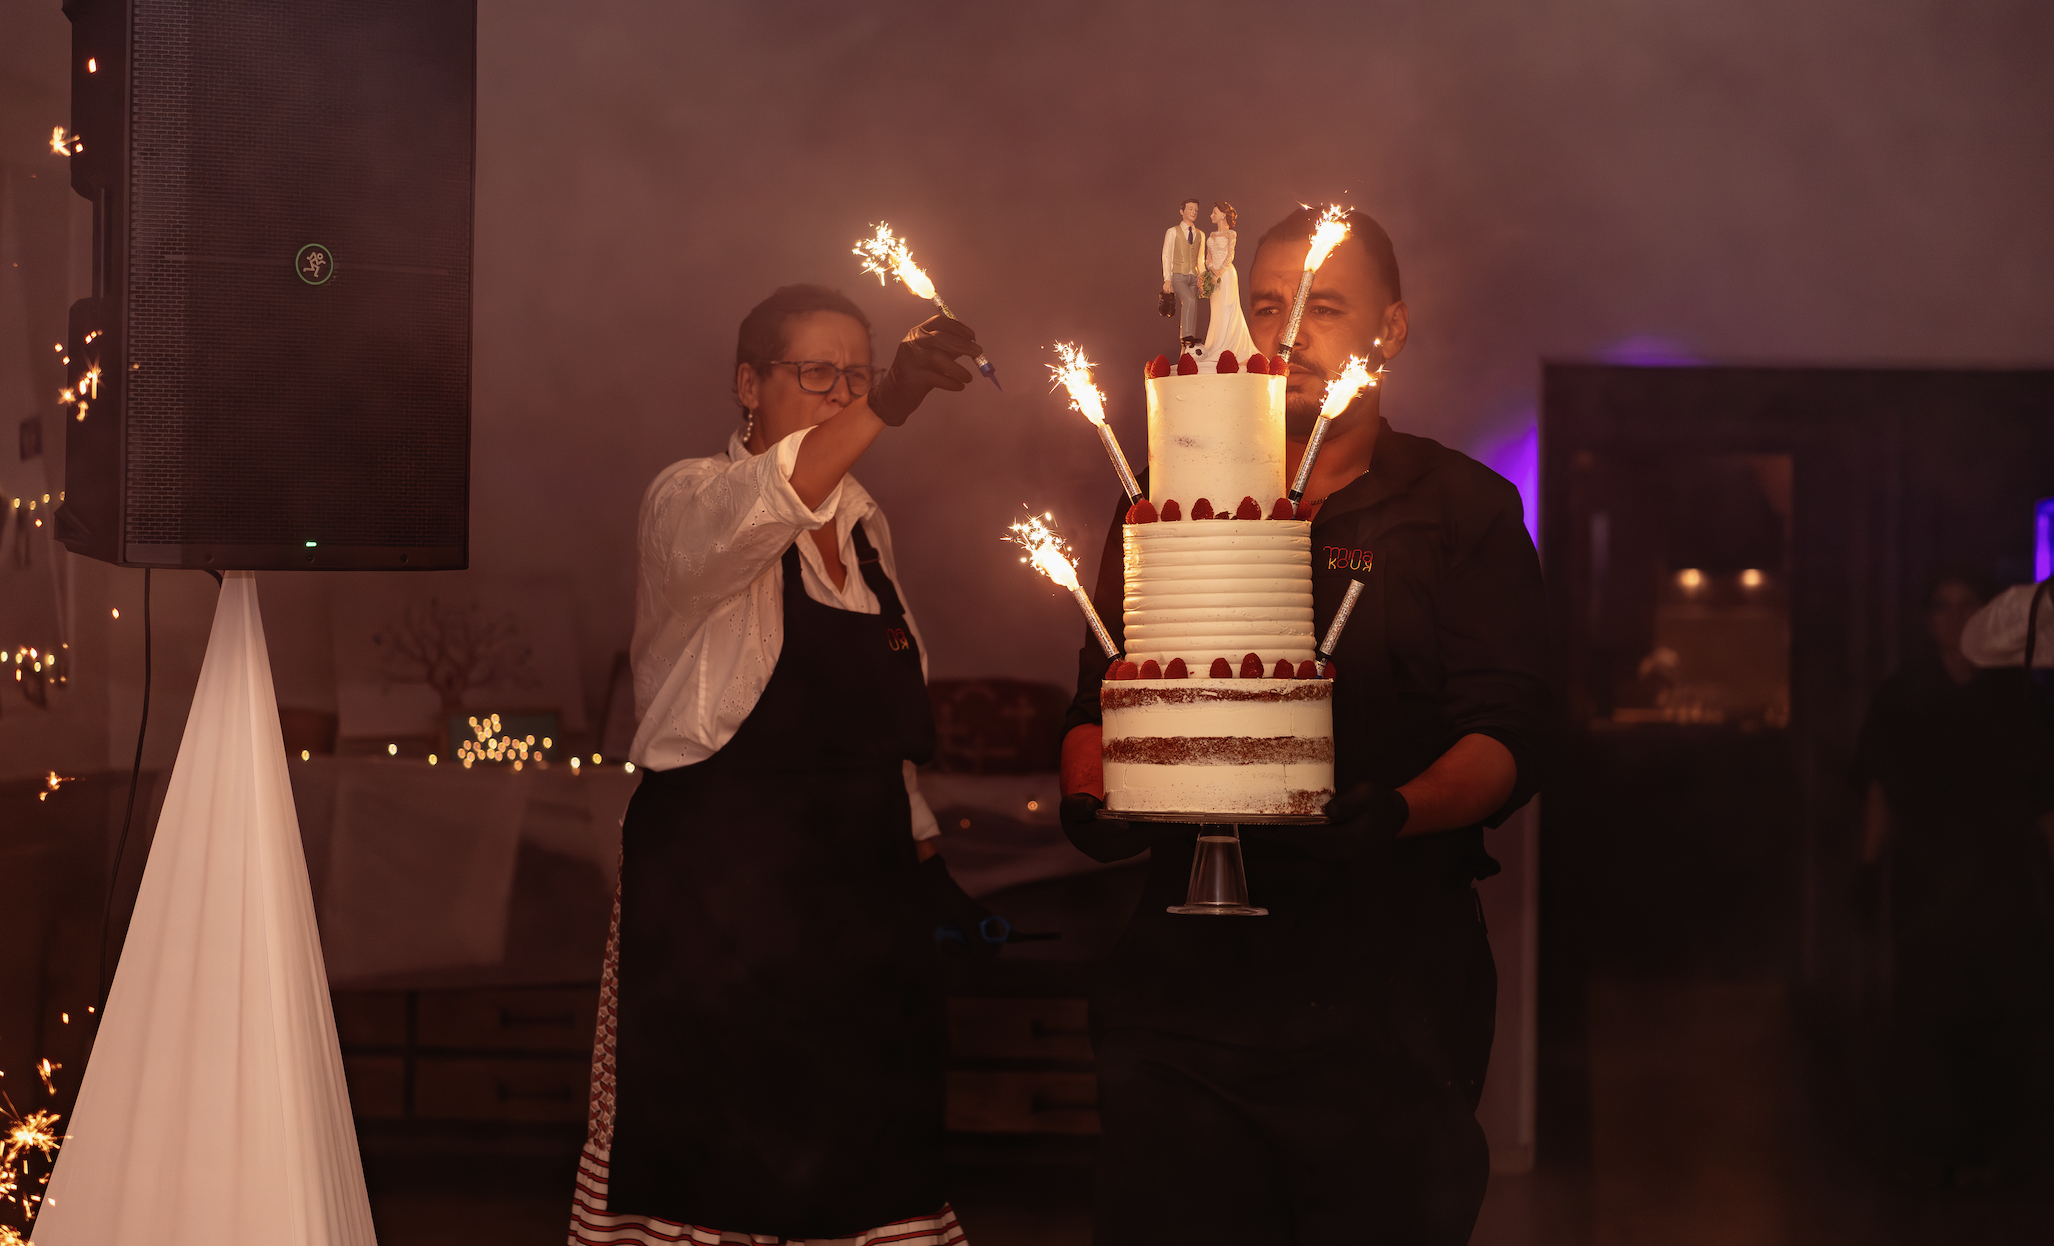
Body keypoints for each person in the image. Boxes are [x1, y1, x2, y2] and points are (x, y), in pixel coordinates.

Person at [1060, 208, 1552, 1244]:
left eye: (1322, 307)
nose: (1285, 337)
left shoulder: (1461, 508)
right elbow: (1095, 701)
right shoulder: (1167, 502)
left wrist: (1390, 813)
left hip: (1386, 986)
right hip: (1185, 992)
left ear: (1391, 330)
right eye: (1268, 307)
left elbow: (1506, 738)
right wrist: (1091, 793)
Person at [569, 284, 988, 1245]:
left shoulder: (872, 531)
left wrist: (927, 863)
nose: (842, 394)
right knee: (706, 1170)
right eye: (817, 374)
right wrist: (885, 404)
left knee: (870, 1163)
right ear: (747, 384)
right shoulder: (687, 501)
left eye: (857, 373)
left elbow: (886, 737)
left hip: (861, 901)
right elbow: (765, 504)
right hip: (718, 903)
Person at [1854, 570, 2054, 1189]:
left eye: (1965, 605)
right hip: (1927, 875)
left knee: (2004, 1013)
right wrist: (1868, 866)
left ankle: (1997, 1149)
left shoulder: (2020, 698)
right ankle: (1931, 1148)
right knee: (1927, 1013)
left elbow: (2044, 796)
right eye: (1941, 606)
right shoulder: (1900, 696)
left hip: (2002, 877)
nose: (1952, 616)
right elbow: (1880, 787)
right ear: (1927, 619)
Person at [1196, 200, 1256, 363]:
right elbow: (1207, 258)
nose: (1211, 215)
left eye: (1214, 212)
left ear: (1223, 215)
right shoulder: (1212, 235)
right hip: (1214, 274)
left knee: (1228, 308)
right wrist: (1211, 271)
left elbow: (1230, 256)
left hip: (1227, 275)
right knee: (1217, 310)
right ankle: (1216, 345)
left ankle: (1230, 346)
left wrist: (1219, 273)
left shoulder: (1231, 234)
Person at [1161, 197, 1207, 351]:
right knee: (1189, 300)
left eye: (1196, 210)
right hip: (1178, 275)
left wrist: (1202, 276)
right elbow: (1166, 255)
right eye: (1190, 209)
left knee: (1194, 307)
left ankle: (1189, 342)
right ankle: (1186, 336)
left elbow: (1200, 258)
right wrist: (1167, 279)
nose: (1193, 212)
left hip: (1193, 276)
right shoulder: (1172, 232)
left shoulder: (1200, 234)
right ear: (1182, 211)